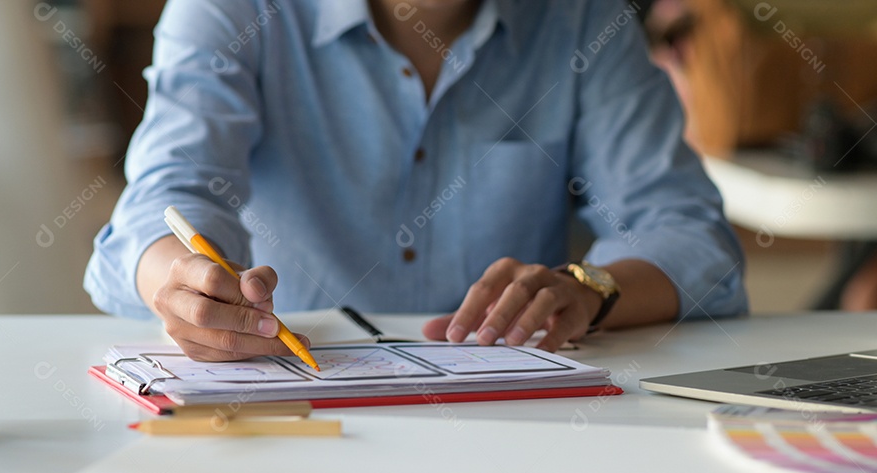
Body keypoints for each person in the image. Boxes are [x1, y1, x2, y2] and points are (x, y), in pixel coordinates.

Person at [85, 0, 747, 361]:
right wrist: (181, 284)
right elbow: (162, 201)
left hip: (517, 425)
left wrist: (589, 290)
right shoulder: (234, 10)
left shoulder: (583, 19)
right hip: (300, 408)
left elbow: (690, 236)